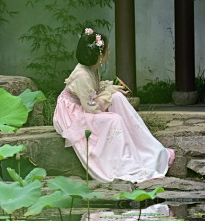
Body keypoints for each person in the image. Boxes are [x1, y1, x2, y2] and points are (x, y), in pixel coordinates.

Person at [53, 27, 174, 184]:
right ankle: (124, 163)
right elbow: (92, 107)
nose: (109, 52)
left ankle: (145, 148)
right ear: (100, 55)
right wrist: (107, 92)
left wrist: (110, 90)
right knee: (114, 119)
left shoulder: (92, 68)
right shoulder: (82, 75)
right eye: (108, 50)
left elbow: (94, 90)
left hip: (86, 104)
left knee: (117, 97)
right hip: (71, 113)